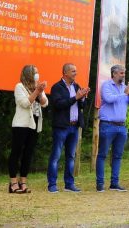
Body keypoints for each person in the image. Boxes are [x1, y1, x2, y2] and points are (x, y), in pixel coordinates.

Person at [47, 63, 90, 193]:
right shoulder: (57, 87)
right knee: (56, 156)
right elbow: (58, 105)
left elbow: (82, 106)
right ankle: (52, 185)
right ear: (65, 73)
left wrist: (82, 98)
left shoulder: (76, 86)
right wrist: (75, 98)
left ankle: (69, 184)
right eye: (73, 71)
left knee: (71, 156)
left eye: (76, 71)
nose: (75, 73)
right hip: (61, 127)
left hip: (74, 126)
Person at [8, 64, 48, 194]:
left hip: (34, 124)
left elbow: (45, 103)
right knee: (16, 152)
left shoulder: (38, 87)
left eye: (38, 72)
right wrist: (36, 91)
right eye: (35, 72)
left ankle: (23, 181)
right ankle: (13, 183)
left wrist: (40, 92)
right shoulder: (19, 86)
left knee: (28, 153)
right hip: (21, 124)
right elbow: (25, 103)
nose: (37, 74)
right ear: (28, 74)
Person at [96, 64, 129, 192]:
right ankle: (100, 183)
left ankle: (114, 183)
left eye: (124, 73)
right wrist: (125, 94)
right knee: (102, 154)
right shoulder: (107, 85)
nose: (123, 76)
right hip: (108, 125)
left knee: (117, 156)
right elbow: (108, 98)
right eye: (121, 73)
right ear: (114, 74)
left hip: (121, 127)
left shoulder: (125, 87)